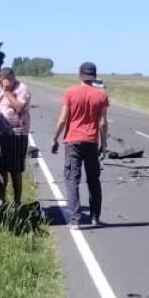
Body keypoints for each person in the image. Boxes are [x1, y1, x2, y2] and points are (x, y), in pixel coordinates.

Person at [52, 62, 109, 230]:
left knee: (72, 180)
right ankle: (95, 218)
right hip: (91, 141)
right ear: (94, 76)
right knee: (93, 180)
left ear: (80, 75)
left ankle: (75, 219)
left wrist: (55, 138)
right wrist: (104, 143)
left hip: (73, 141)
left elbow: (63, 119)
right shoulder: (101, 95)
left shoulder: (70, 92)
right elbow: (103, 123)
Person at [0, 67, 32, 204]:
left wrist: (7, 91)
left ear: (12, 77)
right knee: (1, 168)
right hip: (3, 134)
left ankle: (17, 202)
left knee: (15, 169)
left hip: (17, 134)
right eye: (1, 80)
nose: (3, 83)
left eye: (6, 80)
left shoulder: (22, 89)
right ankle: (2, 199)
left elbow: (19, 107)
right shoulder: (1, 89)